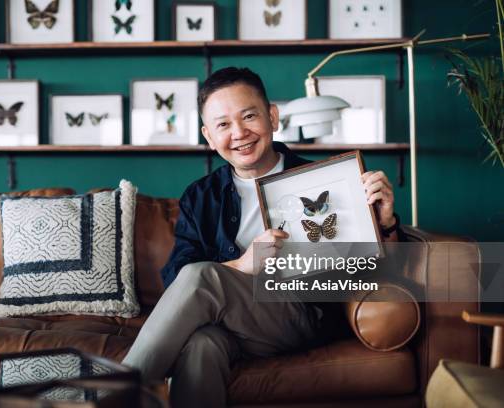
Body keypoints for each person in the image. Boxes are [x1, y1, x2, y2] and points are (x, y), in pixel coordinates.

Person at [122, 67, 399, 407]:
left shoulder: (327, 181)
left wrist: (384, 224)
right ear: (209, 137)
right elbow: (176, 276)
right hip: (233, 327)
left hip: (301, 317)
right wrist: (242, 265)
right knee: (202, 344)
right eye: (223, 124)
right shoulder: (200, 196)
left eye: (249, 116)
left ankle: (112, 398)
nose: (239, 133)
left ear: (272, 117)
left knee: (202, 275)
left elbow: (371, 272)